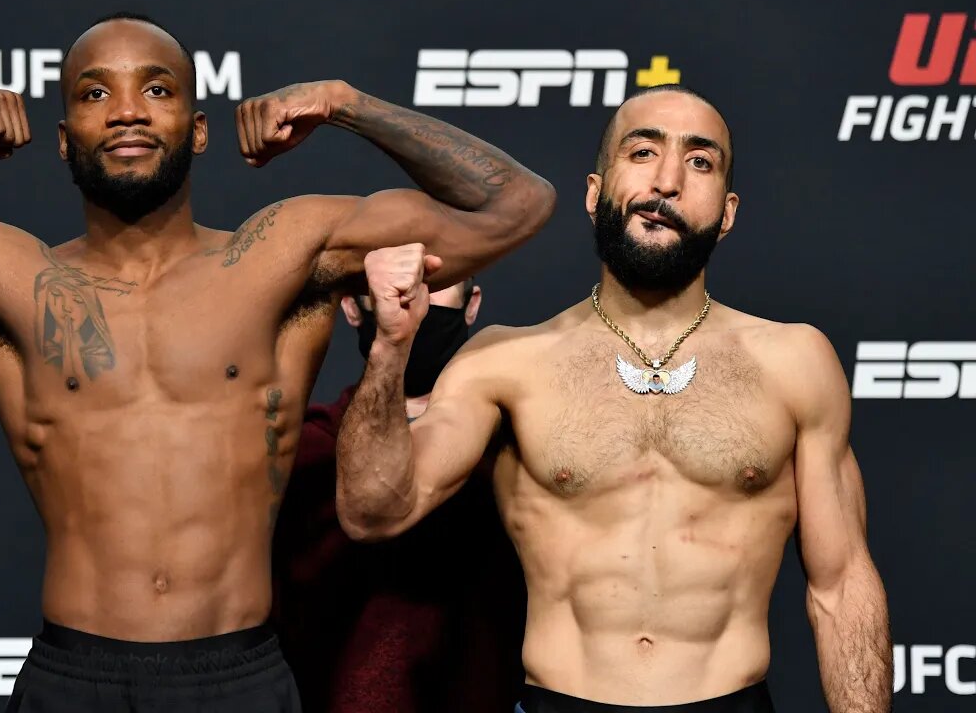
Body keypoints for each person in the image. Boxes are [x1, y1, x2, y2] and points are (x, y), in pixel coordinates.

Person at [0, 10, 555, 713]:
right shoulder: (2, 274)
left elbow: (514, 205)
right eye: (94, 94)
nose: (126, 111)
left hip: (238, 674)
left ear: (194, 130)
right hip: (72, 675)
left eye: (156, 89)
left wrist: (347, 104)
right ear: (61, 138)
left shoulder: (284, 254)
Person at [335, 85, 891, 713]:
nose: (668, 181)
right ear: (595, 193)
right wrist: (389, 350)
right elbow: (373, 511)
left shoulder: (795, 361)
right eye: (643, 152)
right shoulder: (506, 360)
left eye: (700, 161)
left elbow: (842, 584)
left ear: (728, 212)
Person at [271, 280, 528, 712]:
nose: (417, 297)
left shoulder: (518, 450)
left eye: (440, 282)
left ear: (473, 303)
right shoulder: (305, 454)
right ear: (352, 307)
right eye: (394, 279)